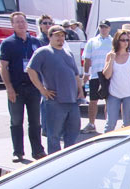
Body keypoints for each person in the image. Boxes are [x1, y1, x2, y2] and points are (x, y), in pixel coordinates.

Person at [27, 25, 83, 154]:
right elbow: (31, 70)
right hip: (55, 101)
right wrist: (42, 90)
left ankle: (68, 159)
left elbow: (75, 74)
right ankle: (55, 161)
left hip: (73, 100)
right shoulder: (43, 52)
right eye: (57, 35)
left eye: (62, 35)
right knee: (54, 135)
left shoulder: (68, 53)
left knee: (73, 132)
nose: (60, 38)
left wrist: (80, 90)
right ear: (49, 36)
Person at [0, 12, 46, 162]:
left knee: (35, 121)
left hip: (33, 88)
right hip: (16, 89)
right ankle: (18, 152)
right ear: (12, 25)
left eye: (23, 21)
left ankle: (38, 151)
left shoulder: (35, 42)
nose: (21, 24)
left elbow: (42, 64)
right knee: (16, 121)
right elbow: (3, 67)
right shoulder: (8, 43)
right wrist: (9, 88)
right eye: (17, 22)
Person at [102, 30, 130, 132]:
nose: (125, 42)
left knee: (128, 124)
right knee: (110, 124)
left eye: (127, 40)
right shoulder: (110, 55)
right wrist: (111, 60)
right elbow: (107, 75)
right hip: (114, 93)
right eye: (122, 40)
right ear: (117, 41)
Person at [80, 19, 112, 134]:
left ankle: (109, 125)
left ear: (109, 28)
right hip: (94, 75)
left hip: (107, 75)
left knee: (108, 100)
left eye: (106, 27)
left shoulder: (113, 42)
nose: (103, 29)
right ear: (99, 28)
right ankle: (91, 124)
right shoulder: (92, 41)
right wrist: (86, 74)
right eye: (101, 27)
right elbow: (87, 59)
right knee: (93, 100)